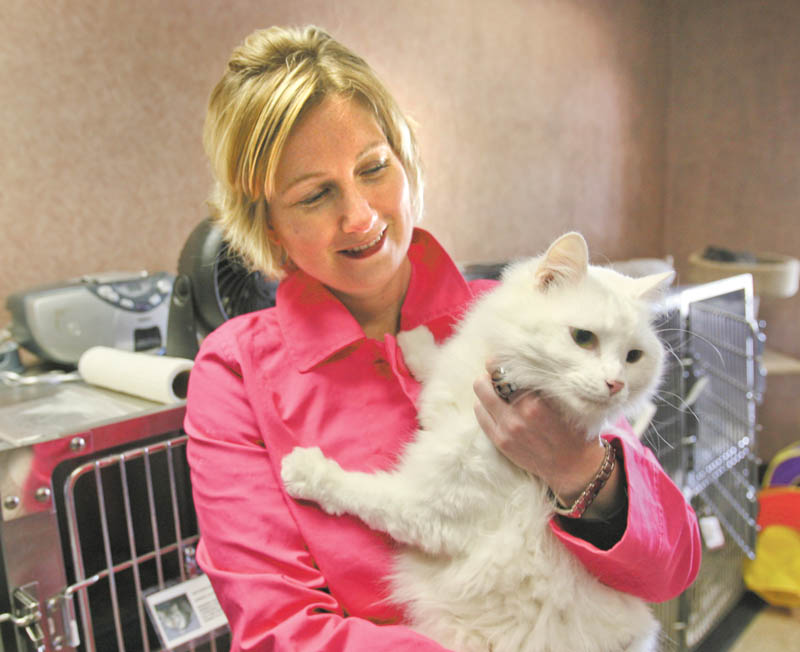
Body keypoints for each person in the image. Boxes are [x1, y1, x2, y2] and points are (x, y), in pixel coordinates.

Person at [185, 25, 701, 651]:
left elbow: (667, 567)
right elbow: (280, 631)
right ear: (265, 221)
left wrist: (576, 468)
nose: (361, 216)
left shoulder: (518, 322)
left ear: (405, 159)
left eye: (374, 168)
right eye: (316, 195)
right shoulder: (237, 374)